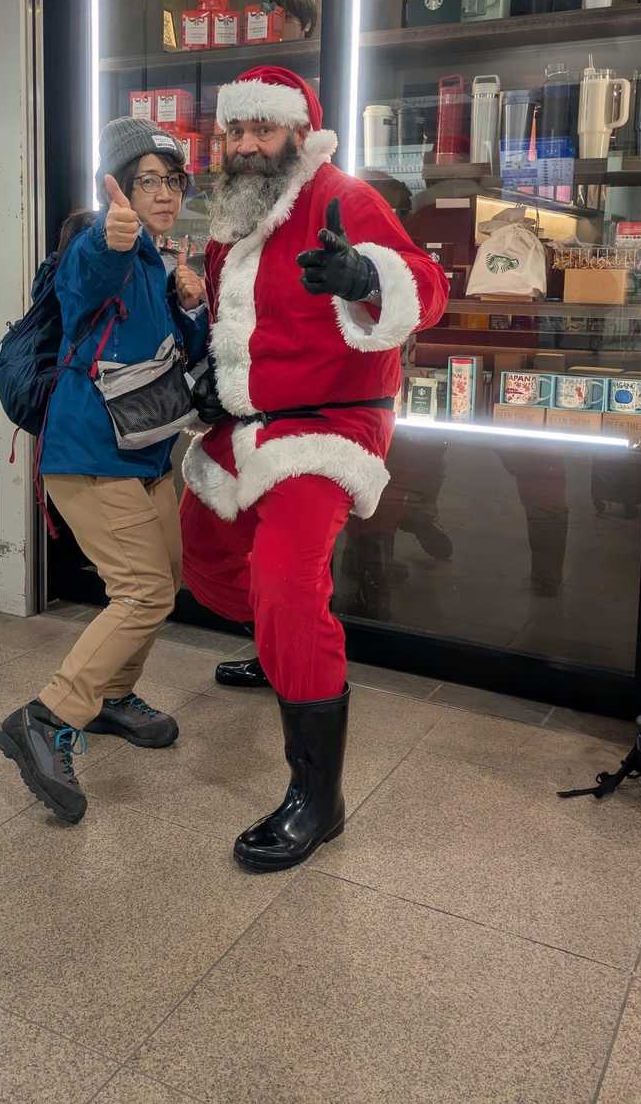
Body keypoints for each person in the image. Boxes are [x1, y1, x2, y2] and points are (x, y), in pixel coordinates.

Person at [182, 65, 449, 870]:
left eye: (261, 129)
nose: (246, 145)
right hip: (251, 418)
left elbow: (428, 287)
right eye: (235, 130)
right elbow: (236, 324)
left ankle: (317, 798)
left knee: (287, 584)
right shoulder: (234, 215)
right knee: (204, 554)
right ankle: (276, 648)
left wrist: (368, 278)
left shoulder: (344, 198)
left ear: (298, 132)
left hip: (331, 422)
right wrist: (212, 379)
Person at [0, 119, 208, 824]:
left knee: (163, 581)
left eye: (173, 180)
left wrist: (192, 306)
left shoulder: (157, 261)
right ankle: (47, 717)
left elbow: (176, 351)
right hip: (90, 455)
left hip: (147, 449)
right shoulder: (99, 249)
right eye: (148, 180)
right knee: (141, 590)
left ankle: (114, 696)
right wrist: (110, 238)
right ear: (118, 188)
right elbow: (86, 277)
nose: (165, 193)